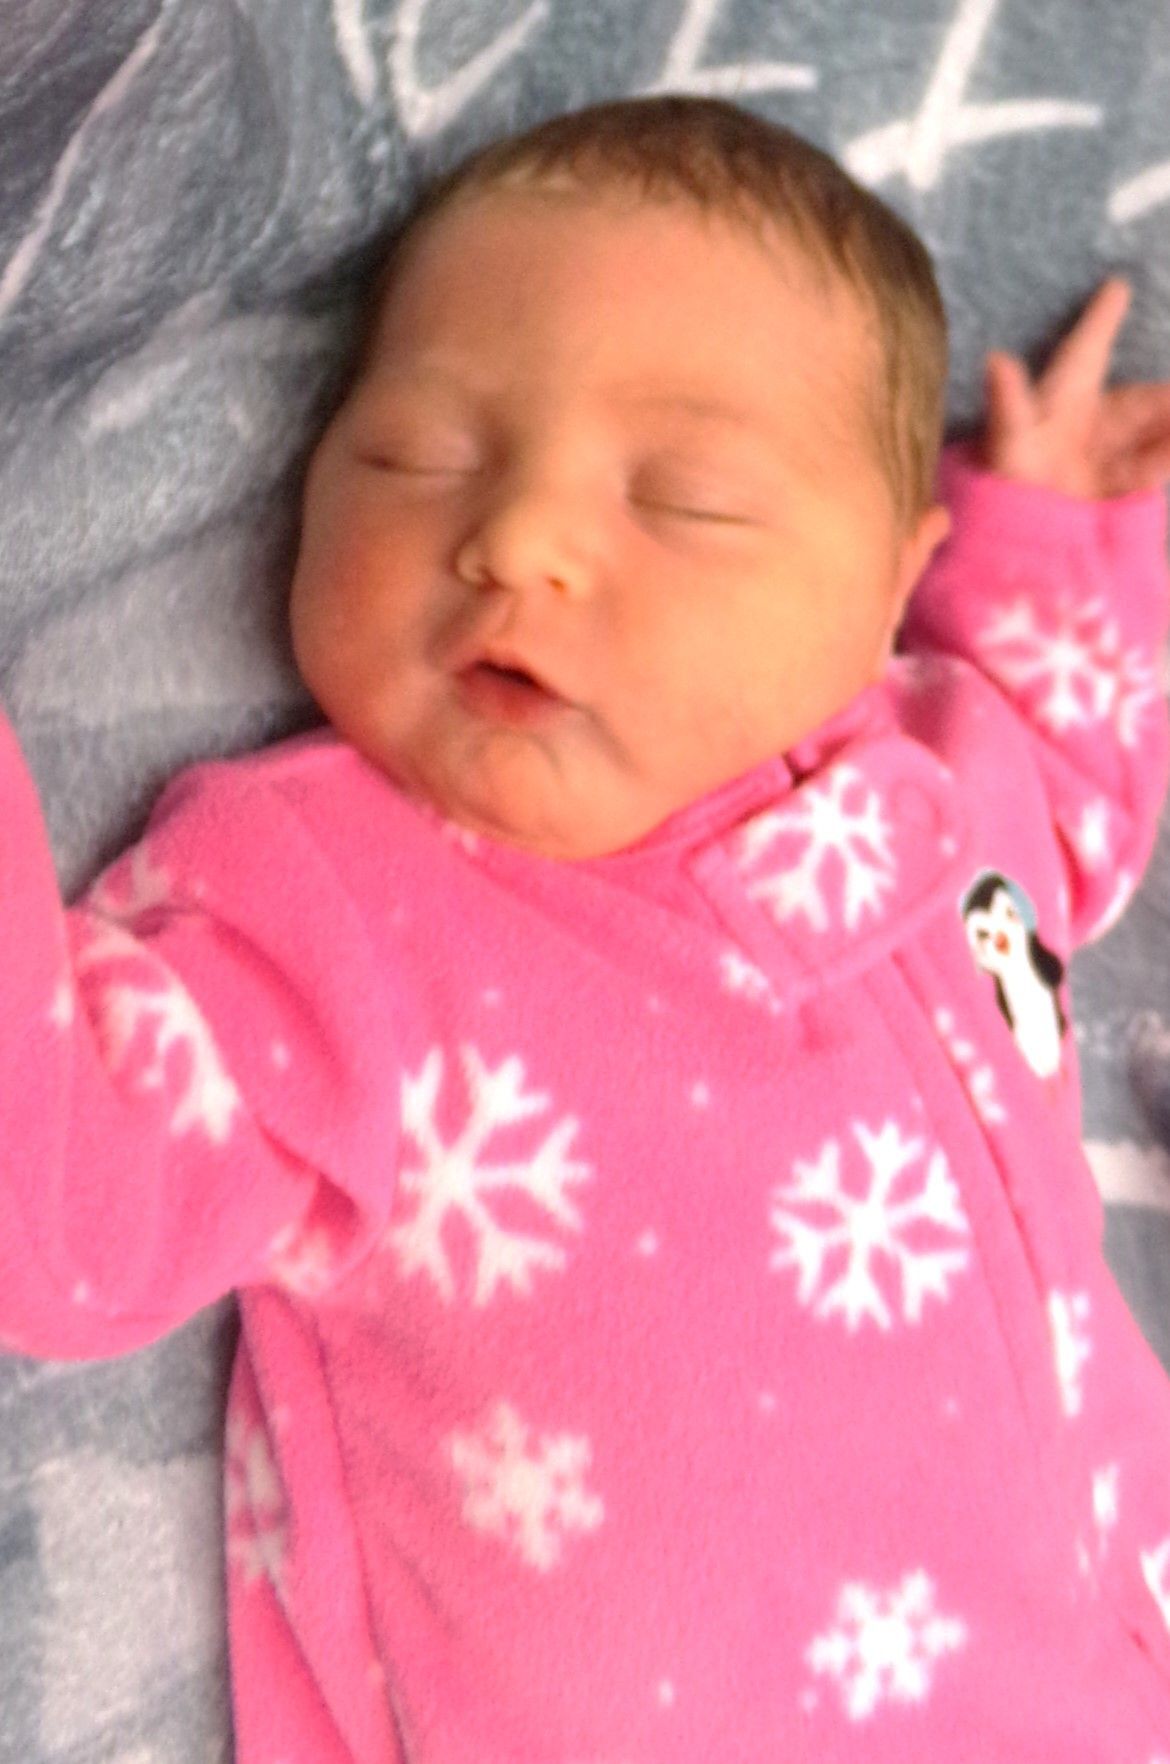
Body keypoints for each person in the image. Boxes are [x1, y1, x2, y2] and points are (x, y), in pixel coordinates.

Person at [4, 94, 1170, 1761]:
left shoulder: (951, 767)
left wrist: (1052, 533)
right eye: (417, 458)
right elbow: (67, 1216)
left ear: (882, 588)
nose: (517, 541)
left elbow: (1074, 791)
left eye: (685, 499)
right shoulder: (336, 905)